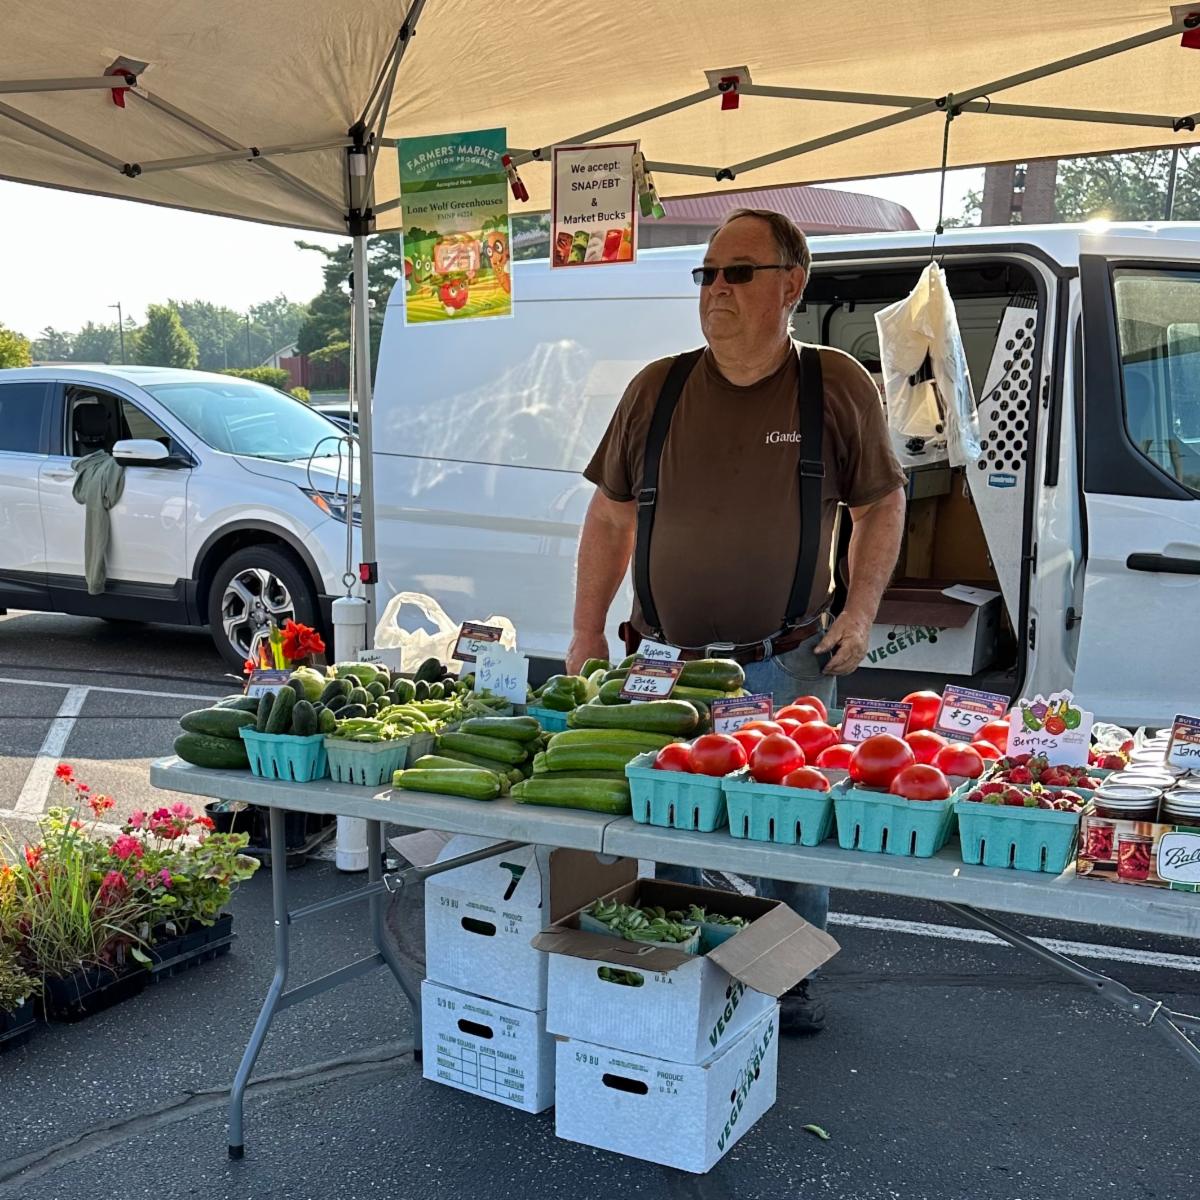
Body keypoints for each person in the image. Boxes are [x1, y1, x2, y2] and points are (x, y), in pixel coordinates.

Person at [566, 208, 907, 1035]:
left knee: (788, 834)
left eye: (738, 273)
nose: (716, 288)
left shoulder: (834, 385)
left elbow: (881, 504)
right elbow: (610, 517)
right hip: (664, 668)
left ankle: (784, 981)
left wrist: (860, 612)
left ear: (791, 285)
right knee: (674, 832)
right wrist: (584, 631)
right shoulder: (657, 388)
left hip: (783, 662)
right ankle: (694, 968)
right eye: (708, 274)